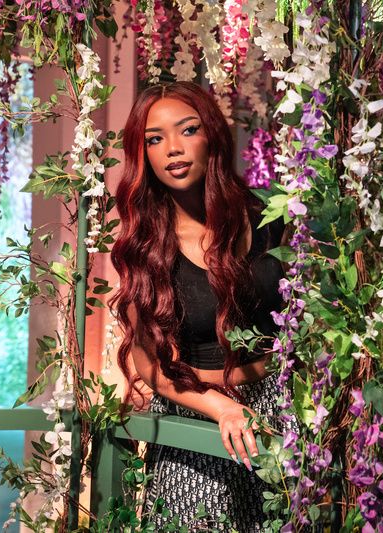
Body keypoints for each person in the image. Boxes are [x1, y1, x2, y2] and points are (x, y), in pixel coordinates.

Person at [110, 81, 290, 531]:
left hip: (280, 405)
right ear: (144, 154)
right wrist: (221, 407)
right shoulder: (145, 246)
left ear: (212, 135)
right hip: (195, 412)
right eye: (155, 139)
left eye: (187, 130)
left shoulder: (272, 216)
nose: (172, 148)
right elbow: (149, 366)